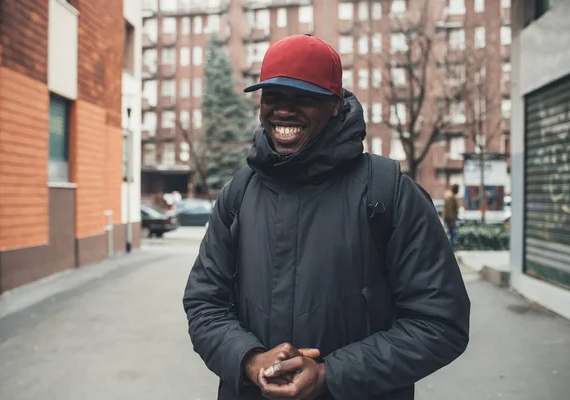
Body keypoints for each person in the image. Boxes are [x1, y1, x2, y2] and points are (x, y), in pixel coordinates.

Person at [183, 34, 470, 400]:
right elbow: (204, 302)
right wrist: (250, 360)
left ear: (334, 105)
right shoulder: (239, 193)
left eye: (303, 97)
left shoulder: (389, 193)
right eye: (273, 97)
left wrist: (330, 374)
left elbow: (440, 323)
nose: (283, 111)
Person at [443, 184, 460, 248]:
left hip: (448, 217)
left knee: (450, 232)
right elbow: (451, 209)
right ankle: (450, 247)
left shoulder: (448, 195)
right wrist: (454, 218)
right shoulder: (452, 197)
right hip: (451, 218)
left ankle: (449, 246)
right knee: (452, 233)